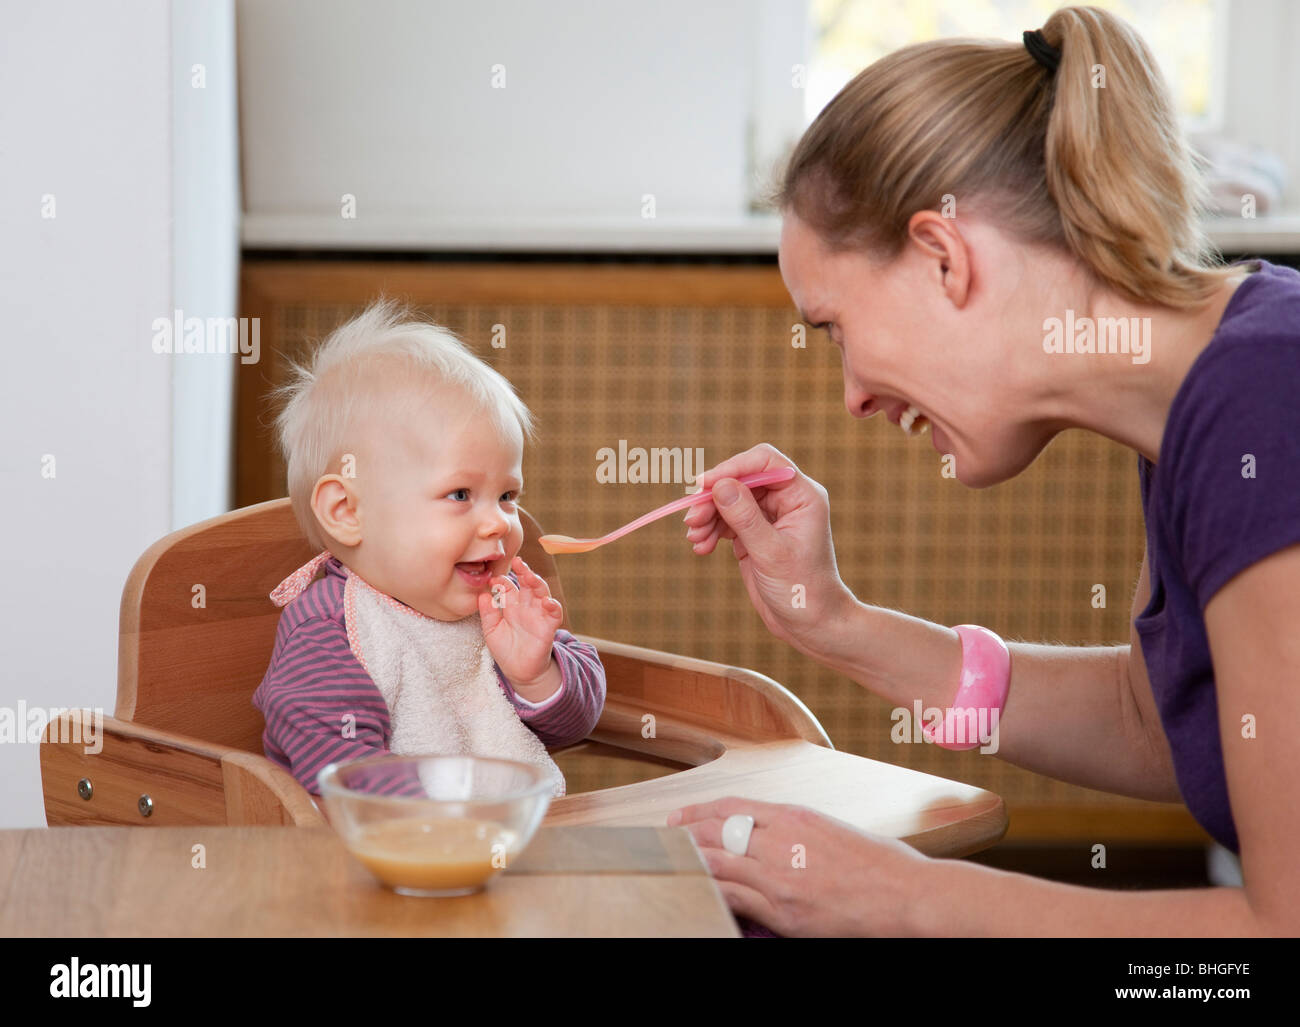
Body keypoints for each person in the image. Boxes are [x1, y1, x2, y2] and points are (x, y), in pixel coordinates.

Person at [669, 7, 1300, 936]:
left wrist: (900, 897)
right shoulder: (1203, 393)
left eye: (836, 328)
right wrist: (837, 623)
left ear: (942, 257)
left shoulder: (1262, 399)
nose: (851, 394)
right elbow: (1155, 719)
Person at [253, 300, 605, 803]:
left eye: (507, 496)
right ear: (348, 511)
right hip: (371, 866)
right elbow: (346, 774)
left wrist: (535, 673)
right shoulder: (332, 632)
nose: (499, 523)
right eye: (460, 495)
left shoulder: (496, 604)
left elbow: (575, 726)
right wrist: (448, 823)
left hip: (508, 849)